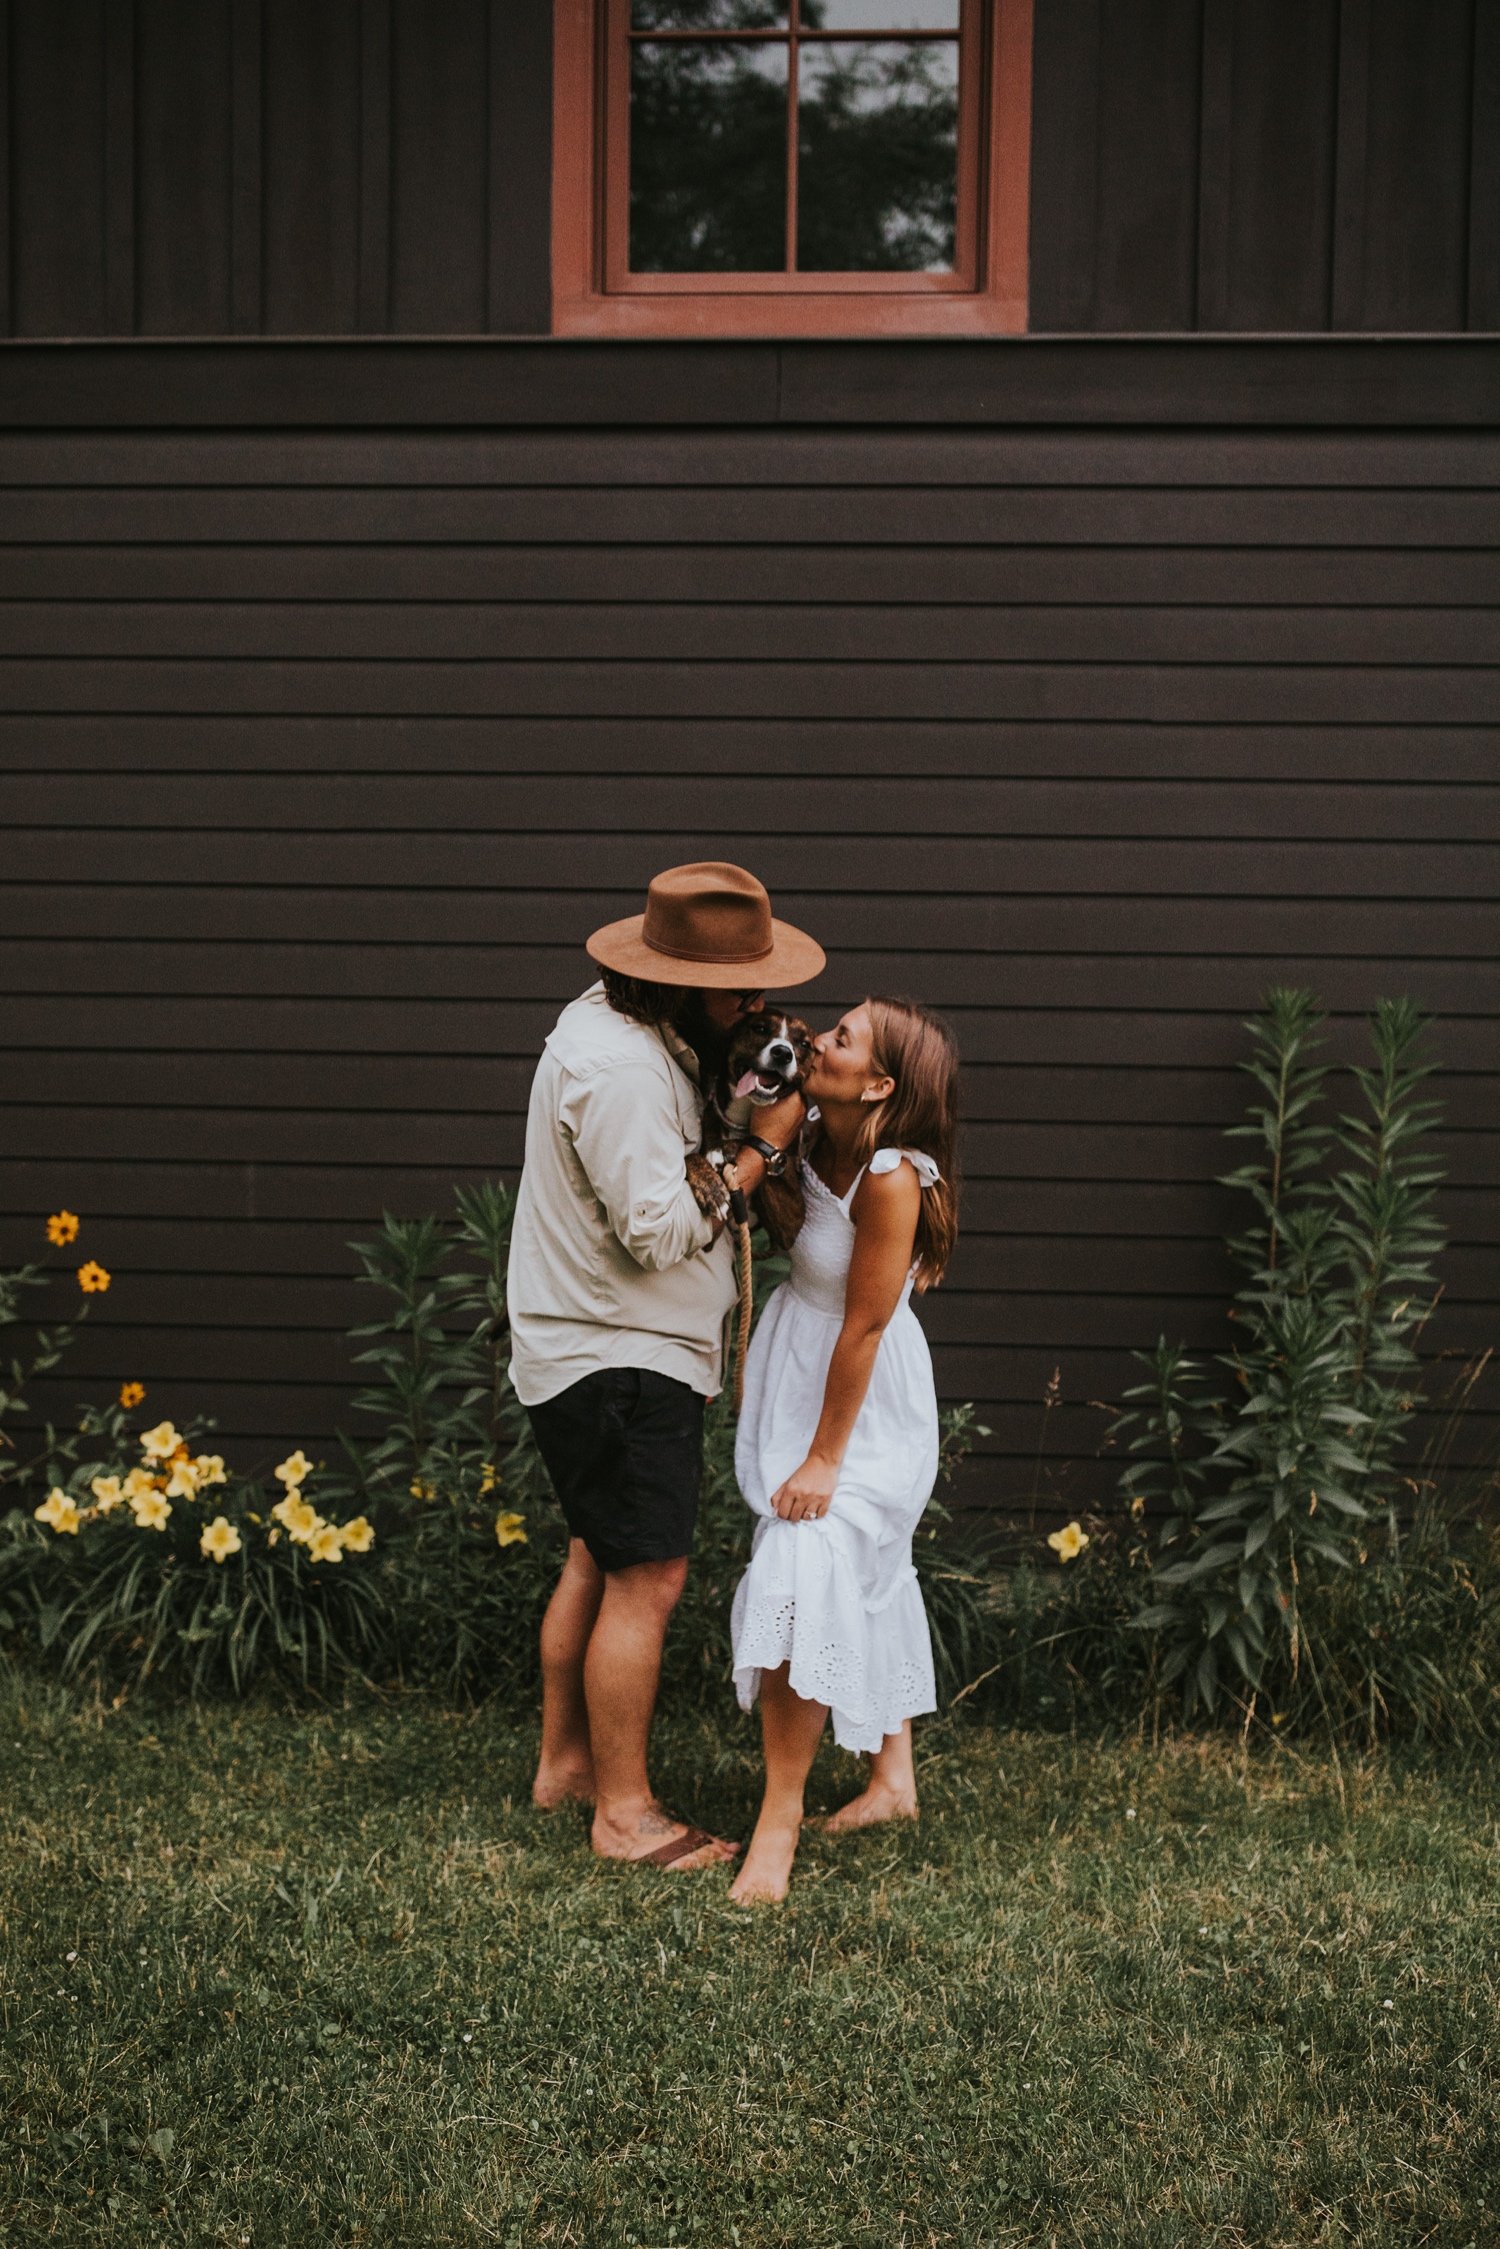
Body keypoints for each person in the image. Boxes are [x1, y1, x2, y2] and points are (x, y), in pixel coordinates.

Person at [508, 861, 823, 1872]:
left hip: (598, 1345)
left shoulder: (619, 1027)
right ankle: (626, 1814)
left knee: (595, 1554)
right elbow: (656, 1231)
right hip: (618, 1356)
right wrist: (760, 1154)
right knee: (647, 1575)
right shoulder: (630, 1071)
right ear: (685, 979)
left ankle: (565, 1767)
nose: (754, 1006)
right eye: (741, 988)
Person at [727, 996, 960, 1905]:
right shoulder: (808, 1121)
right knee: (867, 1563)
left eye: (845, 1038)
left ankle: (777, 1819)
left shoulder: (893, 1175)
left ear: (881, 1083)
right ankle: (892, 1779)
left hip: (863, 1398)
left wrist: (826, 1459)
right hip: (800, 1362)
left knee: (807, 1554)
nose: (820, 1039)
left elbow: (866, 1325)